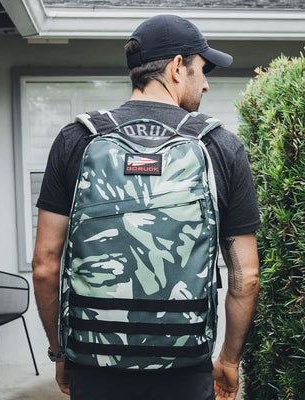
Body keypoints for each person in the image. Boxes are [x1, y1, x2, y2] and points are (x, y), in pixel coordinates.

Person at [32, 14, 260, 400]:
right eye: (201, 70)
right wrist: (229, 360)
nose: (205, 84)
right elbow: (246, 277)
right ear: (176, 67)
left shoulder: (76, 140)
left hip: (94, 365)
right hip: (185, 368)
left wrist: (60, 352)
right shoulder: (221, 146)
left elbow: (44, 267)